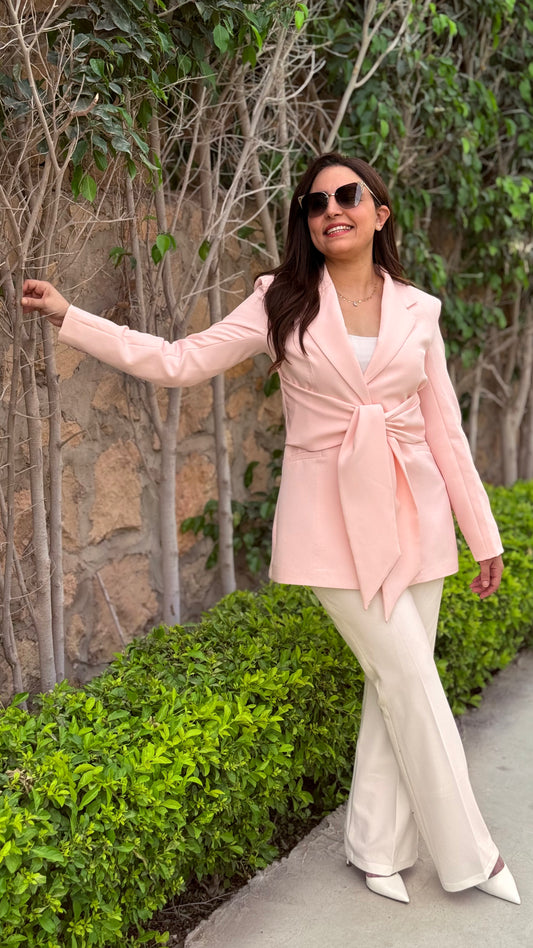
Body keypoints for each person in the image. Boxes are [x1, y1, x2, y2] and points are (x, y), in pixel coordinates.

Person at [22, 152, 519, 906]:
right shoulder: (279, 299)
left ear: (378, 212)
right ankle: (470, 856)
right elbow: (178, 360)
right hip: (328, 524)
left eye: (347, 195)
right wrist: (71, 318)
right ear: (307, 223)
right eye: (315, 202)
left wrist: (482, 534)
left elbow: (445, 431)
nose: (331, 209)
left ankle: (374, 846)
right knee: (411, 679)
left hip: (415, 516)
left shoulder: (420, 311)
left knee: (394, 683)